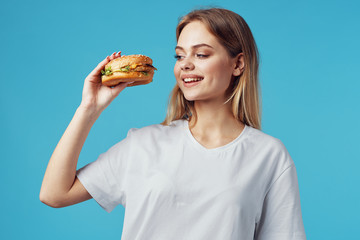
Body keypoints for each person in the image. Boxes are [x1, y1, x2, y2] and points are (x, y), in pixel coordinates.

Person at [40, 8, 306, 240]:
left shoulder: (269, 155)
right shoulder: (143, 144)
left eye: (201, 55)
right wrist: (89, 108)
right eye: (179, 56)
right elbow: (55, 194)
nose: (186, 65)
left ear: (238, 63)